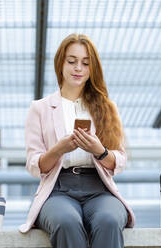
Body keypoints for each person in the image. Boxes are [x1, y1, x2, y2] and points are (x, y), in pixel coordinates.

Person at [19, 33, 135, 248]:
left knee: (108, 220)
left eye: (85, 63)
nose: (78, 68)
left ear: (92, 69)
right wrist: (58, 150)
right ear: (60, 63)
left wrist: (100, 151)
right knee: (66, 222)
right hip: (58, 190)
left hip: (100, 189)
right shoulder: (40, 108)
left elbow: (119, 161)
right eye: (72, 61)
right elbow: (34, 165)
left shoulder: (107, 108)